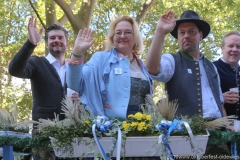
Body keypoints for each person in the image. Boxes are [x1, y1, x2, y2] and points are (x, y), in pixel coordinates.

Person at [146, 10, 230, 158]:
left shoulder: (212, 66)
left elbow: (220, 103)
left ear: (200, 35)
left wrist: (227, 125)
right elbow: (152, 69)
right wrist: (160, 32)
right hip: (186, 134)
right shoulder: (172, 60)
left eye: (191, 32)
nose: (186, 36)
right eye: (182, 33)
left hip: (217, 134)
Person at [8, 16, 89, 160]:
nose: (56, 40)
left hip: (72, 133)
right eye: (52, 38)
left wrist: (81, 100)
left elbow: (88, 95)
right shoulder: (37, 63)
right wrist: (30, 43)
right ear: (46, 44)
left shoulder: (75, 68)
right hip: (44, 135)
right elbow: (14, 70)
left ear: (67, 43)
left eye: (60, 37)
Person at [67, 15, 153, 120]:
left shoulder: (141, 66)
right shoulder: (100, 59)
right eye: (118, 32)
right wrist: (77, 53)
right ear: (113, 37)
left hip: (142, 130)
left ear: (135, 37)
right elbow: (75, 84)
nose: (122, 36)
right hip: (110, 129)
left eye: (127, 32)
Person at [213, 30, 240, 118]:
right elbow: (199, 97)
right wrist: (220, 98)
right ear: (222, 48)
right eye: (230, 46)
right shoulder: (211, 68)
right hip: (219, 128)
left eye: (238, 47)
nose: (235, 49)